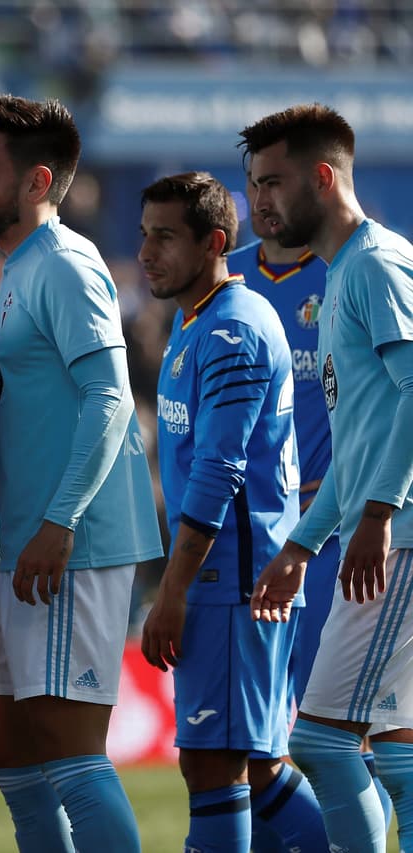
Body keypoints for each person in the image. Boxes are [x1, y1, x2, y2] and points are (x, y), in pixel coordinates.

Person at [0, 95, 163, 852]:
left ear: (38, 181)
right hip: (32, 539)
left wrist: (60, 520)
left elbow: (111, 399)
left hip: (71, 540)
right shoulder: (19, 268)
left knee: (71, 754)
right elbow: (24, 405)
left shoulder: (69, 265)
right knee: (10, 754)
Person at [138, 171, 327, 853]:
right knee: (245, 763)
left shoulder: (231, 333)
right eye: (144, 235)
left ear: (215, 241)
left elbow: (219, 471)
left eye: (166, 237)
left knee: (219, 765)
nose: (147, 251)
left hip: (232, 585)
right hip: (231, 581)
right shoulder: (198, 322)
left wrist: (173, 591)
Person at [247, 103, 413, 853]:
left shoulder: (375, 264)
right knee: (396, 744)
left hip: (399, 536)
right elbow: (364, 437)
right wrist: (304, 545)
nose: (260, 202)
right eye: (252, 185)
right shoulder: (347, 272)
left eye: (274, 183)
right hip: (380, 530)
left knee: (318, 736)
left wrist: (377, 515)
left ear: (323, 176)